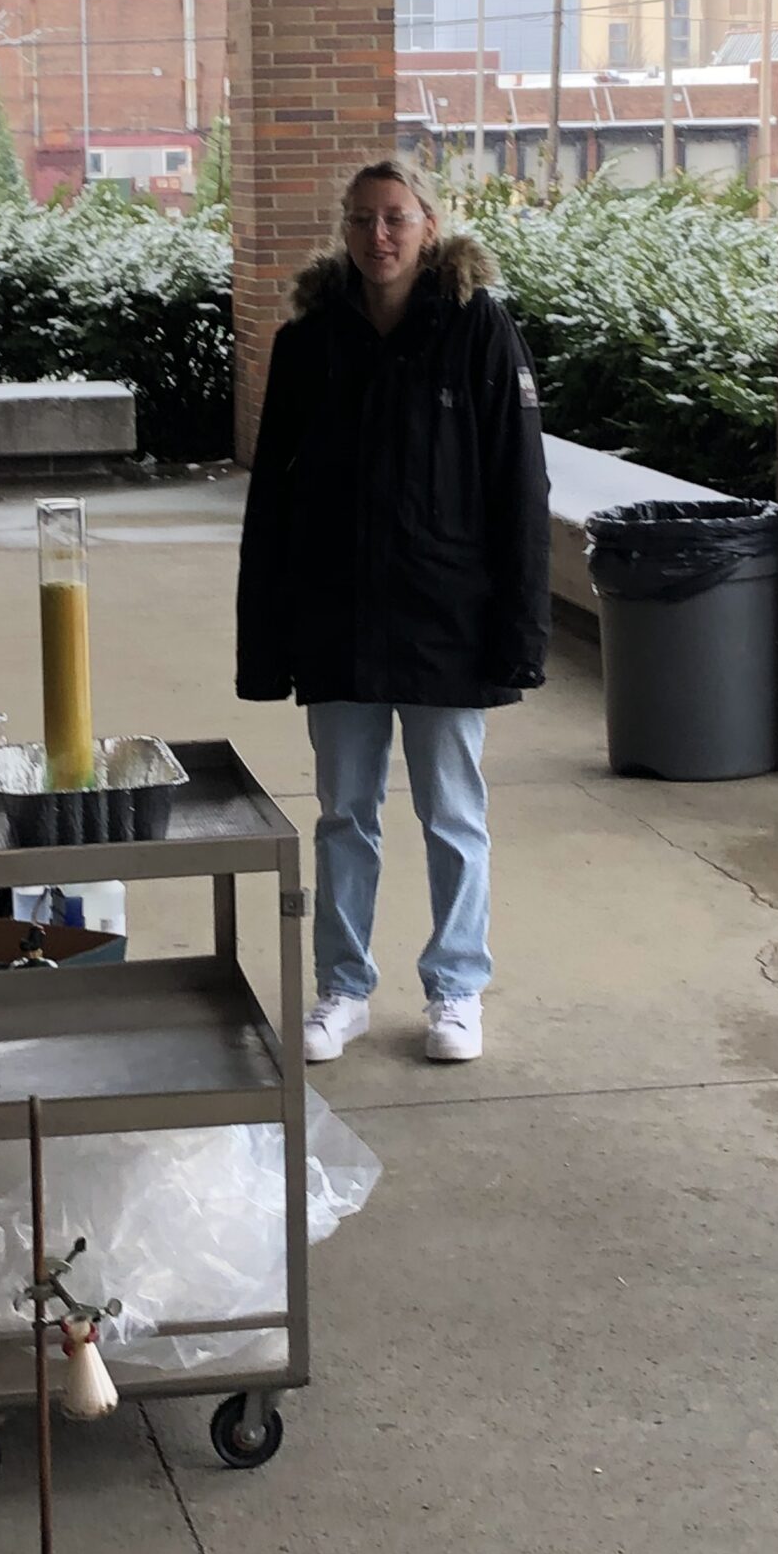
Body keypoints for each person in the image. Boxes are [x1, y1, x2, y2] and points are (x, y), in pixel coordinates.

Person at [236, 157, 551, 1065]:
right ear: (345, 229)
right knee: (345, 813)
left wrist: (518, 636)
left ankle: (457, 990)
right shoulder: (308, 343)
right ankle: (342, 988)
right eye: (364, 219)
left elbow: (519, 491)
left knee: (453, 814)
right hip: (338, 622)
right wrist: (268, 645)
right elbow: (274, 508)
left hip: (447, 619)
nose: (380, 235)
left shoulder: (479, 332)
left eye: (398, 219)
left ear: (430, 227)